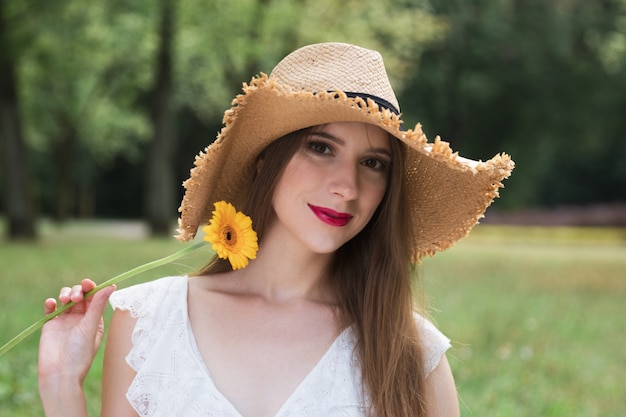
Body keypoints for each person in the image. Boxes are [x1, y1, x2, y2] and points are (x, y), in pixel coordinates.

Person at [38, 42, 514, 417]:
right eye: (321, 148)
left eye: (372, 163)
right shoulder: (148, 322)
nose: (347, 186)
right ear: (268, 157)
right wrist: (62, 391)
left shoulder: (411, 351)